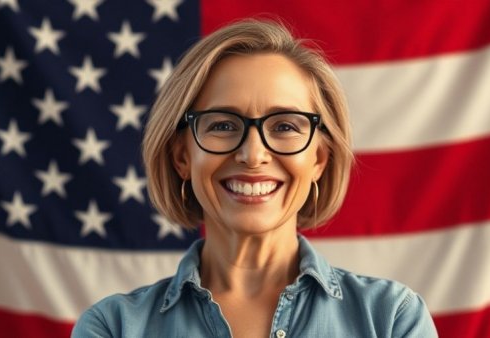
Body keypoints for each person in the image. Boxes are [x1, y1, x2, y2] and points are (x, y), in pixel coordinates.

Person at [72, 19, 438, 338]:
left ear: (319, 160)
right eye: (223, 125)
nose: (253, 154)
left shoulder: (392, 320)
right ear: (182, 156)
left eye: (284, 126)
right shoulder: (113, 327)